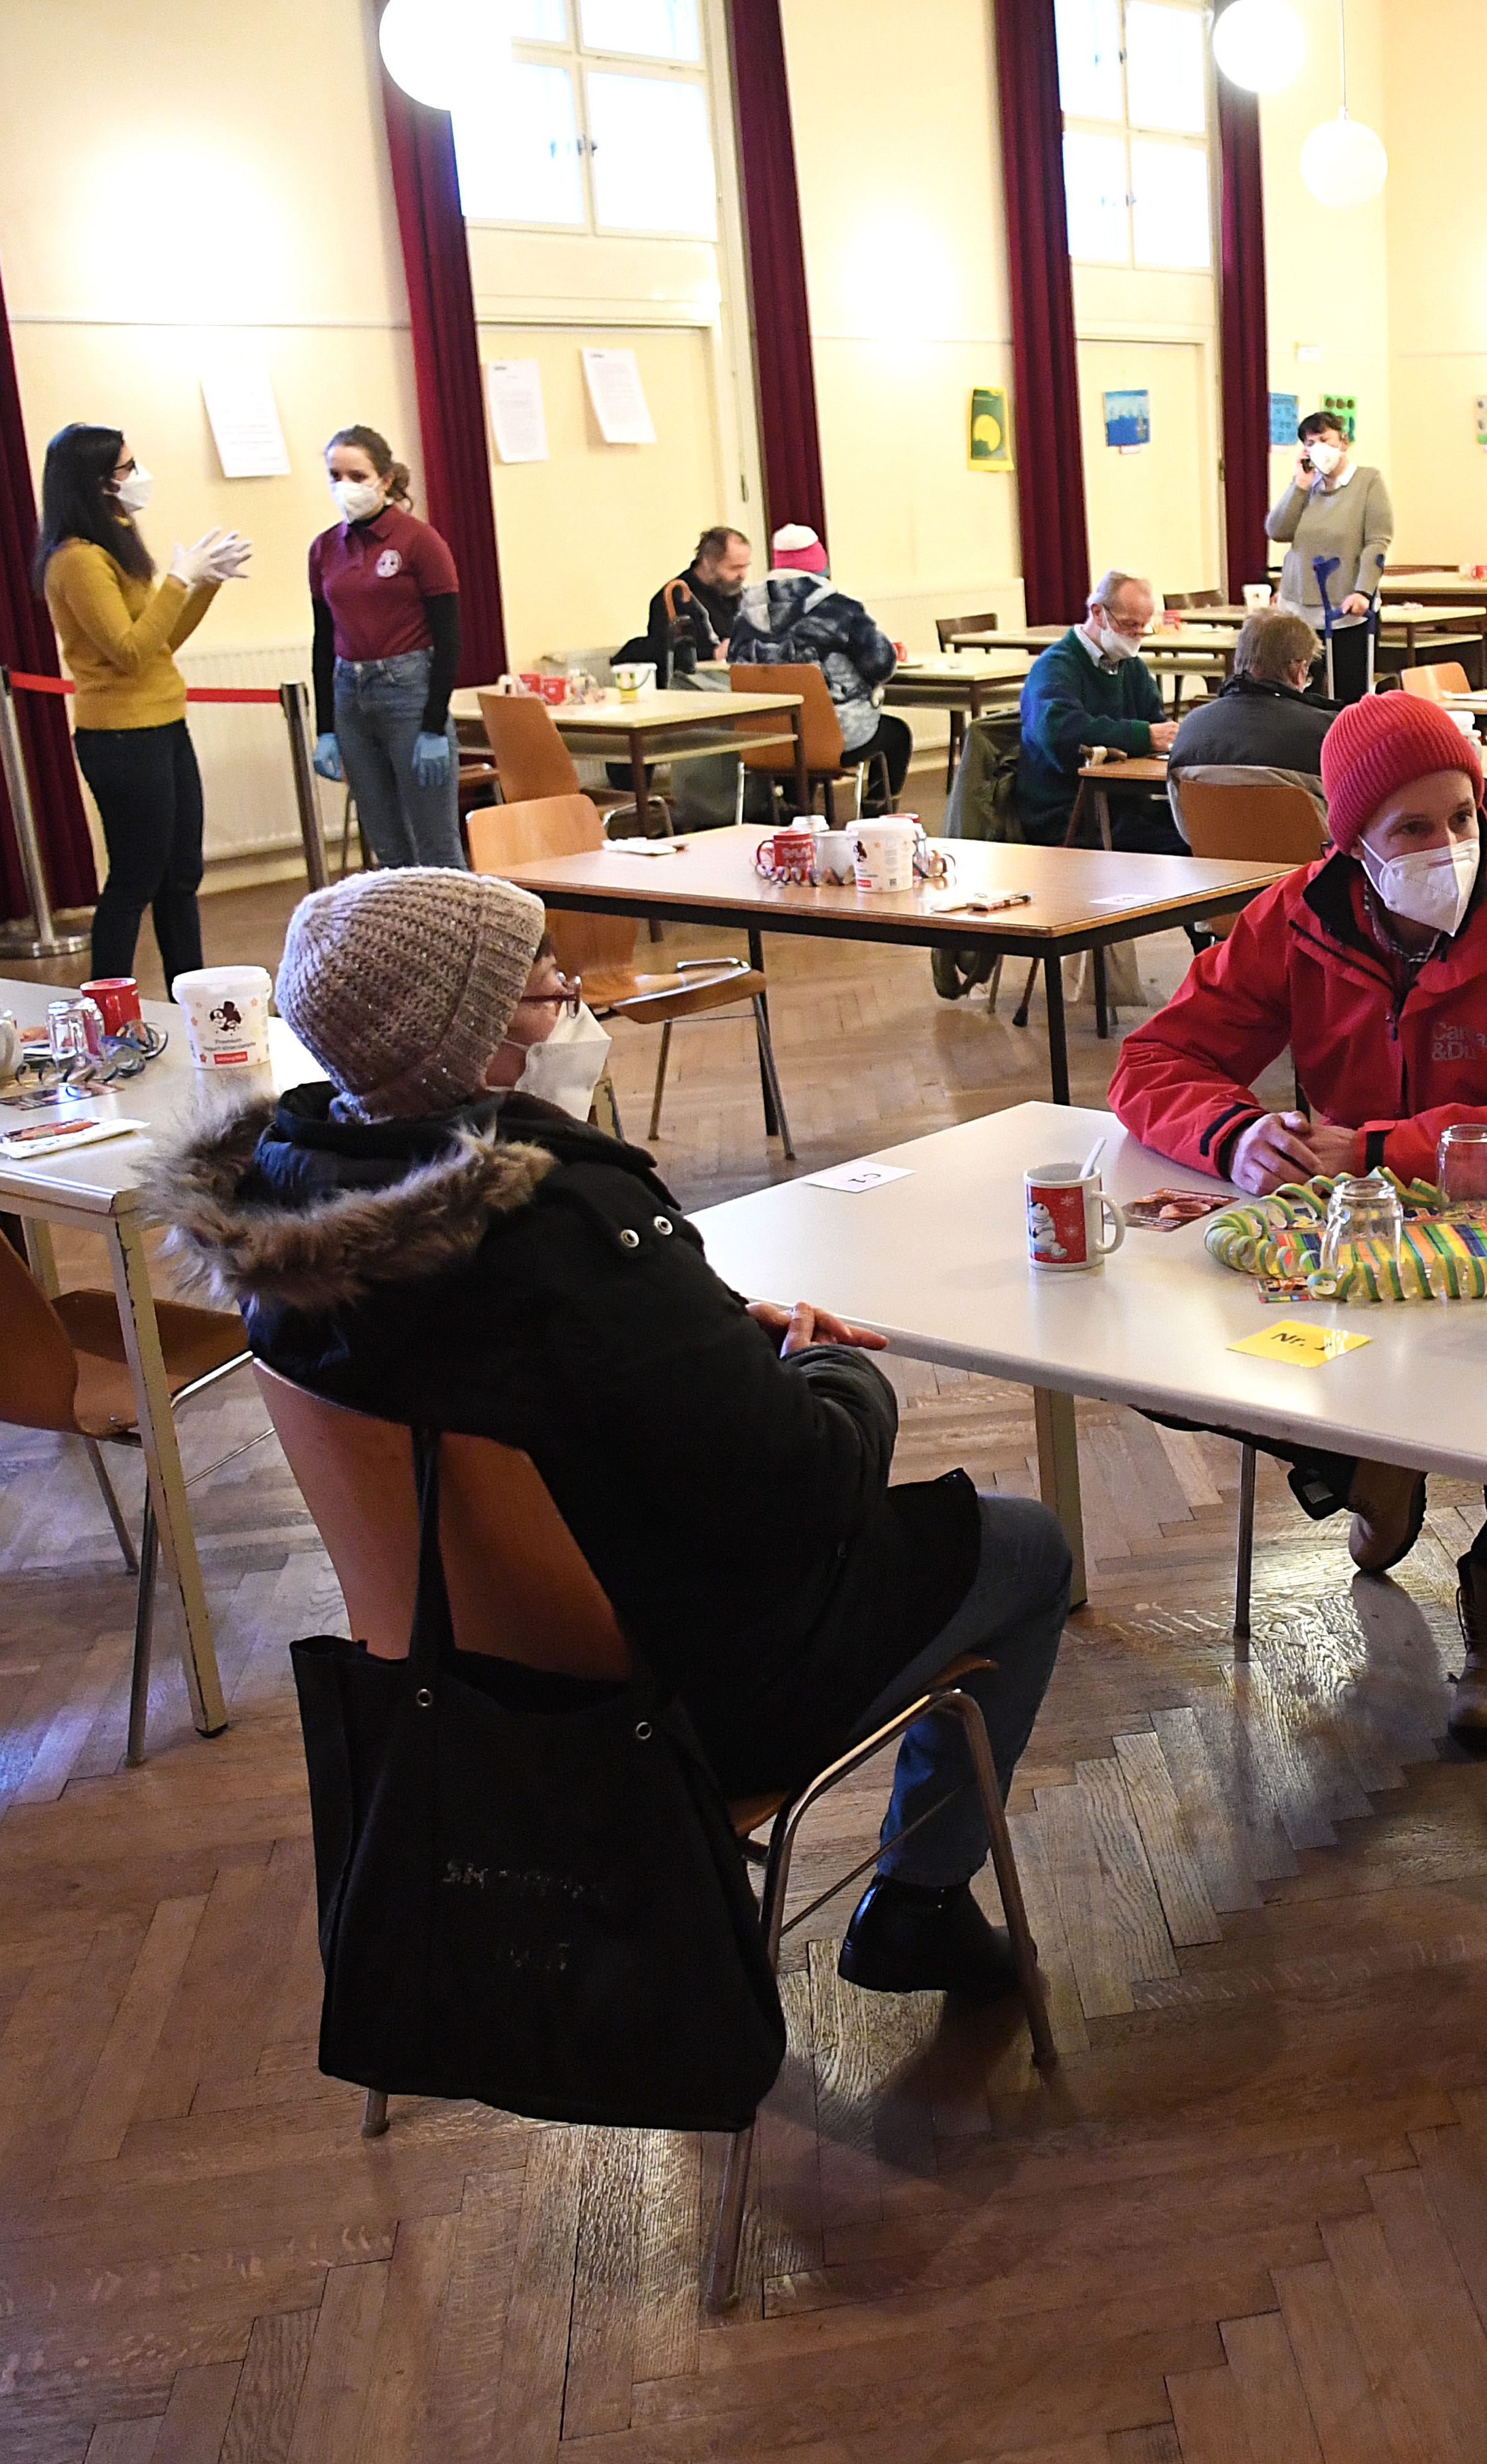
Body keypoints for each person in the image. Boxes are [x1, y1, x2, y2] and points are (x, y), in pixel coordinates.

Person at [149, 867, 1066, 1999]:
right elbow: (807, 1489)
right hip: (662, 1698)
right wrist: (831, 1369)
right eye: (547, 993)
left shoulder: (286, 1208)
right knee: (1027, 1547)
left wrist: (703, 1336)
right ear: (481, 1044)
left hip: (457, 1692)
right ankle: (918, 1906)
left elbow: (535, 1385)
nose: (572, 1012)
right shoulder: (569, 1228)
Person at [1107, 692, 1487, 1741]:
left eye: (1463, 815)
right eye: (1412, 827)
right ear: (1351, 842)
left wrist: (1384, 1148)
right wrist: (1232, 1133)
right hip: (1359, 1241)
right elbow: (1157, 1058)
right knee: (1159, 1358)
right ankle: (1364, 1463)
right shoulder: (1299, 918)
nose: (1449, 845)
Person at [34, 423, 251, 986]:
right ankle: (107, 1002)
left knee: (181, 876)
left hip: (165, 725)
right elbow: (129, 653)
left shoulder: (117, 540)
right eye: (128, 468)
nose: (139, 476)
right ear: (96, 481)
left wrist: (205, 584)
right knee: (135, 878)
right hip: (121, 738)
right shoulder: (78, 560)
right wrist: (178, 580)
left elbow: (160, 642)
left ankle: (191, 997)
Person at [307, 425, 467, 871]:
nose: (345, 486)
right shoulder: (324, 548)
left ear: (386, 478)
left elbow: (449, 638)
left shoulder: (419, 541)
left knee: (435, 844)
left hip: (408, 691)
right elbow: (323, 640)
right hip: (350, 693)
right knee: (388, 846)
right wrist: (326, 728)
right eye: (335, 476)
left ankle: (453, 917)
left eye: (357, 476)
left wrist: (433, 726)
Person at [729, 523, 912, 808]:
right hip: (837, 737)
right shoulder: (840, 610)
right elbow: (880, 665)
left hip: (767, 739)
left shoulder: (744, 615)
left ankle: (796, 811)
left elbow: (735, 665)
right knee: (897, 735)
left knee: (799, 728)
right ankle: (878, 818)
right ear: (819, 565)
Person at [1018, 567, 1180, 852]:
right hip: (1068, 811)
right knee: (1184, 847)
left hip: (1123, 805)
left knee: (1203, 830)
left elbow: (1156, 728)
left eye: (1143, 627)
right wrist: (1142, 736)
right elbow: (1061, 733)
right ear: (1098, 612)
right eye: (1128, 625)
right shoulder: (1056, 666)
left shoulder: (1132, 668)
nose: (1137, 635)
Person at [1266, 410, 1392, 698]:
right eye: (1310, 443)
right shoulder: (1306, 486)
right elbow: (1277, 530)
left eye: (1324, 439)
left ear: (1343, 442)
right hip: (1299, 608)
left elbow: (1377, 541)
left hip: (1346, 608)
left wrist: (1363, 591)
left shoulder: (1368, 481)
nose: (1318, 448)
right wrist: (1300, 486)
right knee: (1299, 693)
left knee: (1347, 692)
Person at [1168, 607, 1338, 800]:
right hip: (1297, 821)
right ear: (1299, 671)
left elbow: (1178, 808)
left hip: (1207, 821)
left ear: (1237, 662)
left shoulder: (1190, 728)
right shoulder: (1328, 734)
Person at [643, 524, 749, 678]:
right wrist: (715, 653)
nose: (743, 575)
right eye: (734, 568)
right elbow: (667, 655)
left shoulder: (736, 594)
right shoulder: (675, 597)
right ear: (708, 562)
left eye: (746, 566)